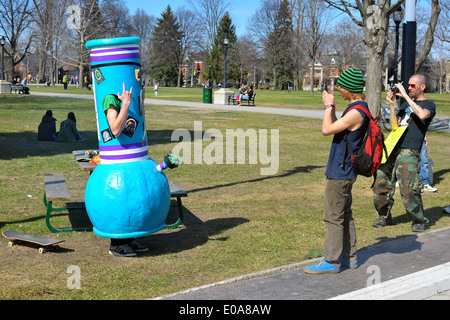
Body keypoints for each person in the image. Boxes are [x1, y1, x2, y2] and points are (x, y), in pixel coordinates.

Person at [303, 68, 369, 274]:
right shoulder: (358, 108)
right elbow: (334, 125)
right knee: (345, 215)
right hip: (346, 170)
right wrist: (331, 107)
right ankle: (349, 257)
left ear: (350, 90)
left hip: (340, 172)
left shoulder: (356, 112)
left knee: (333, 216)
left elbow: (326, 130)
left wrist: (328, 106)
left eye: (341, 88)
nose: (339, 91)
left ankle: (331, 260)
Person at [372, 74, 436, 232]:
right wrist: (392, 105)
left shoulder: (429, 104)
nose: (409, 88)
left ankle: (418, 219)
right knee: (380, 183)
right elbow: (394, 125)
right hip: (392, 146)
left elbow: (422, 115)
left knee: (408, 187)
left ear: (422, 87)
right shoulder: (404, 105)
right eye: (408, 85)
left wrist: (406, 96)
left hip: (409, 148)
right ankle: (383, 216)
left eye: (412, 86)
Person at [102, 83, 149, 257]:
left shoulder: (129, 96)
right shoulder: (110, 98)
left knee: (133, 197)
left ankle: (128, 239)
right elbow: (114, 129)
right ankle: (116, 244)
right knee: (120, 198)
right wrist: (126, 104)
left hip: (133, 158)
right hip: (117, 160)